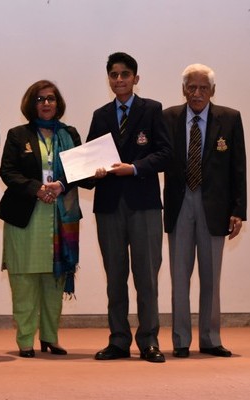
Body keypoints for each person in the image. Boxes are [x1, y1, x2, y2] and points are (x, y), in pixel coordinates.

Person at [86, 52, 171, 363]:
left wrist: (134, 168)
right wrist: (93, 173)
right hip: (109, 206)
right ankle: (119, 340)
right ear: (108, 79)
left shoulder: (152, 109)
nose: (119, 79)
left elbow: (166, 154)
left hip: (144, 204)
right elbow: (89, 160)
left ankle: (149, 340)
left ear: (136, 78)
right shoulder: (101, 115)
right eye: (114, 75)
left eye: (125, 74)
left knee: (147, 276)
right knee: (115, 276)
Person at [163, 63, 247, 358]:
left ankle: (211, 339)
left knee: (211, 276)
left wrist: (239, 209)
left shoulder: (230, 118)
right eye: (191, 87)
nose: (197, 93)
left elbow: (238, 167)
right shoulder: (168, 117)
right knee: (179, 276)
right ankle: (180, 339)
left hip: (215, 207)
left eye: (203, 88)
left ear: (213, 90)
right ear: (183, 90)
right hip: (179, 203)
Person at [0, 80, 82, 358]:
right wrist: (37, 189)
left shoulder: (70, 134)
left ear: (58, 103)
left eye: (51, 98)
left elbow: (80, 171)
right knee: (24, 281)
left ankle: (50, 337)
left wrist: (60, 186)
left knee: (54, 281)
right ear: (31, 104)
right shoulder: (18, 135)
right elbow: (7, 172)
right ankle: (25, 340)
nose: (46, 103)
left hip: (60, 217)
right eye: (40, 99)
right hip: (25, 216)